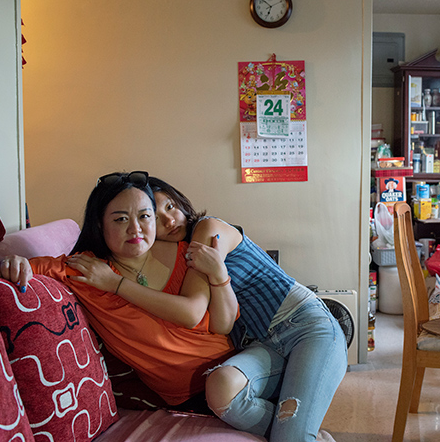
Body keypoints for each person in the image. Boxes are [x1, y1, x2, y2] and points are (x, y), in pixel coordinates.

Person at [0, 171, 238, 407]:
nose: (135, 229)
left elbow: (211, 321)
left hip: (234, 368)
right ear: (100, 225)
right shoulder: (87, 270)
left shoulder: (188, 253)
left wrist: (117, 284)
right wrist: (12, 261)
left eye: (144, 216)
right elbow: (26, 266)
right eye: (121, 219)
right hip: (192, 396)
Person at [149, 176, 348, 442]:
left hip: (306, 326)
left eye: (170, 207)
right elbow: (222, 325)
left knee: (290, 436)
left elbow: (191, 310)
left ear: (182, 203)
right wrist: (219, 276)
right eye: (154, 216)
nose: (169, 220)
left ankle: (296, 433)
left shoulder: (207, 229)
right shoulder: (179, 258)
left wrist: (117, 285)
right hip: (260, 345)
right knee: (220, 387)